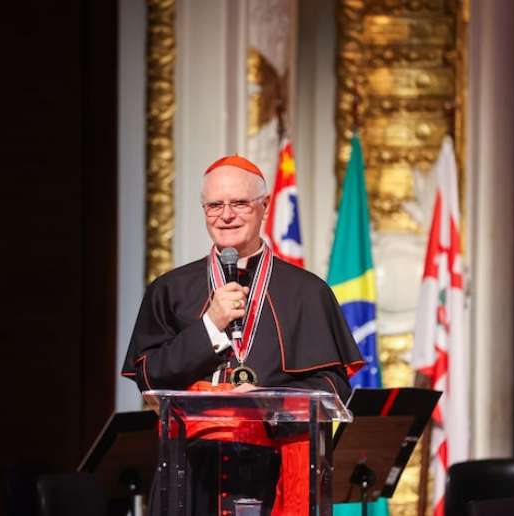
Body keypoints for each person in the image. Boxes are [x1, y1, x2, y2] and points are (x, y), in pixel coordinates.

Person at [122, 155, 364, 515]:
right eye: (215, 205)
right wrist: (211, 325)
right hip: (190, 474)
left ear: (264, 206)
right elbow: (149, 375)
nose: (226, 215)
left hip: (275, 469)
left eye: (239, 203)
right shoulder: (171, 289)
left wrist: (269, 400)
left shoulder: (308, 291)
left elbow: (333, 385)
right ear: (203, 209)